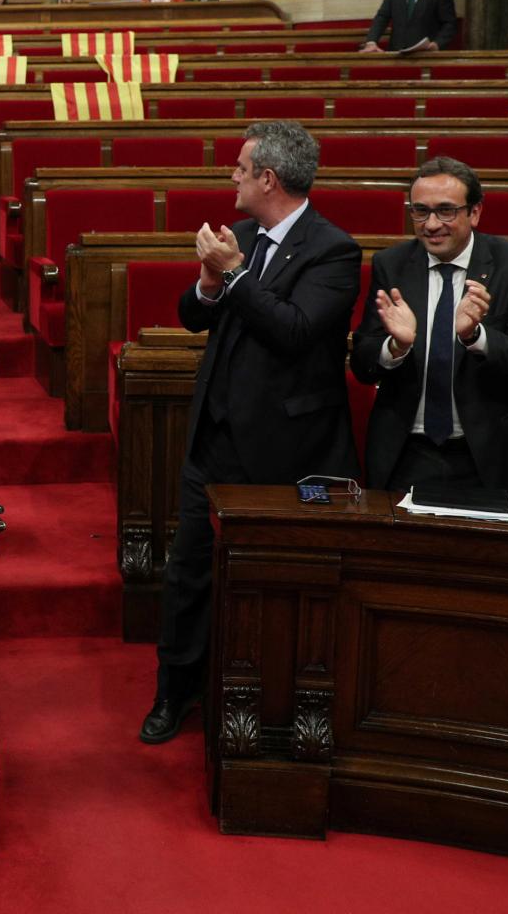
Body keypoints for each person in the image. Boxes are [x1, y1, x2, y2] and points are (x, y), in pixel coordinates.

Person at [141, 121, 361, 745]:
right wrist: (209, 285)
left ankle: (262, 698)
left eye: (239, 168)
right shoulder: (238, 235)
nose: (231, 178)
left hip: (284, 450)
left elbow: (293, 330)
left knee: (268, 578)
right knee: (188, 575)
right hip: (212, 439)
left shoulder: (333, 251)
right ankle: (172, 691)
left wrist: (234, 277)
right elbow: (191, 316)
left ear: (268, 178)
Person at [350, 157, 508, 497]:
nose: (431, 224)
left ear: (475, 212)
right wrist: (395, 348)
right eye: (420, 211)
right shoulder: (391, 264)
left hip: (488, 454)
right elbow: (363, 364)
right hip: (406, 453)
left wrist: (475, 336)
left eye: (445, 211)